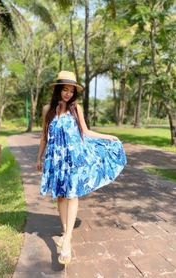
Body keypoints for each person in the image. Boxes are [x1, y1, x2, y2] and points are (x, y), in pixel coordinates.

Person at [36, 71, 127, 265]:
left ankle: (67, 240)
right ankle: (64, 230)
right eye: (65, 89)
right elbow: (44, 136)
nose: (68, 93)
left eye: (71, 90)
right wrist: (39, 157)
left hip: (74, 158)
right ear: (58, 90)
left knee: (72, 194)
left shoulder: (76, 109)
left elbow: (85, 132)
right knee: (60, 195)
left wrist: (107, 136)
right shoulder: (48, 110)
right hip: (55, 159)